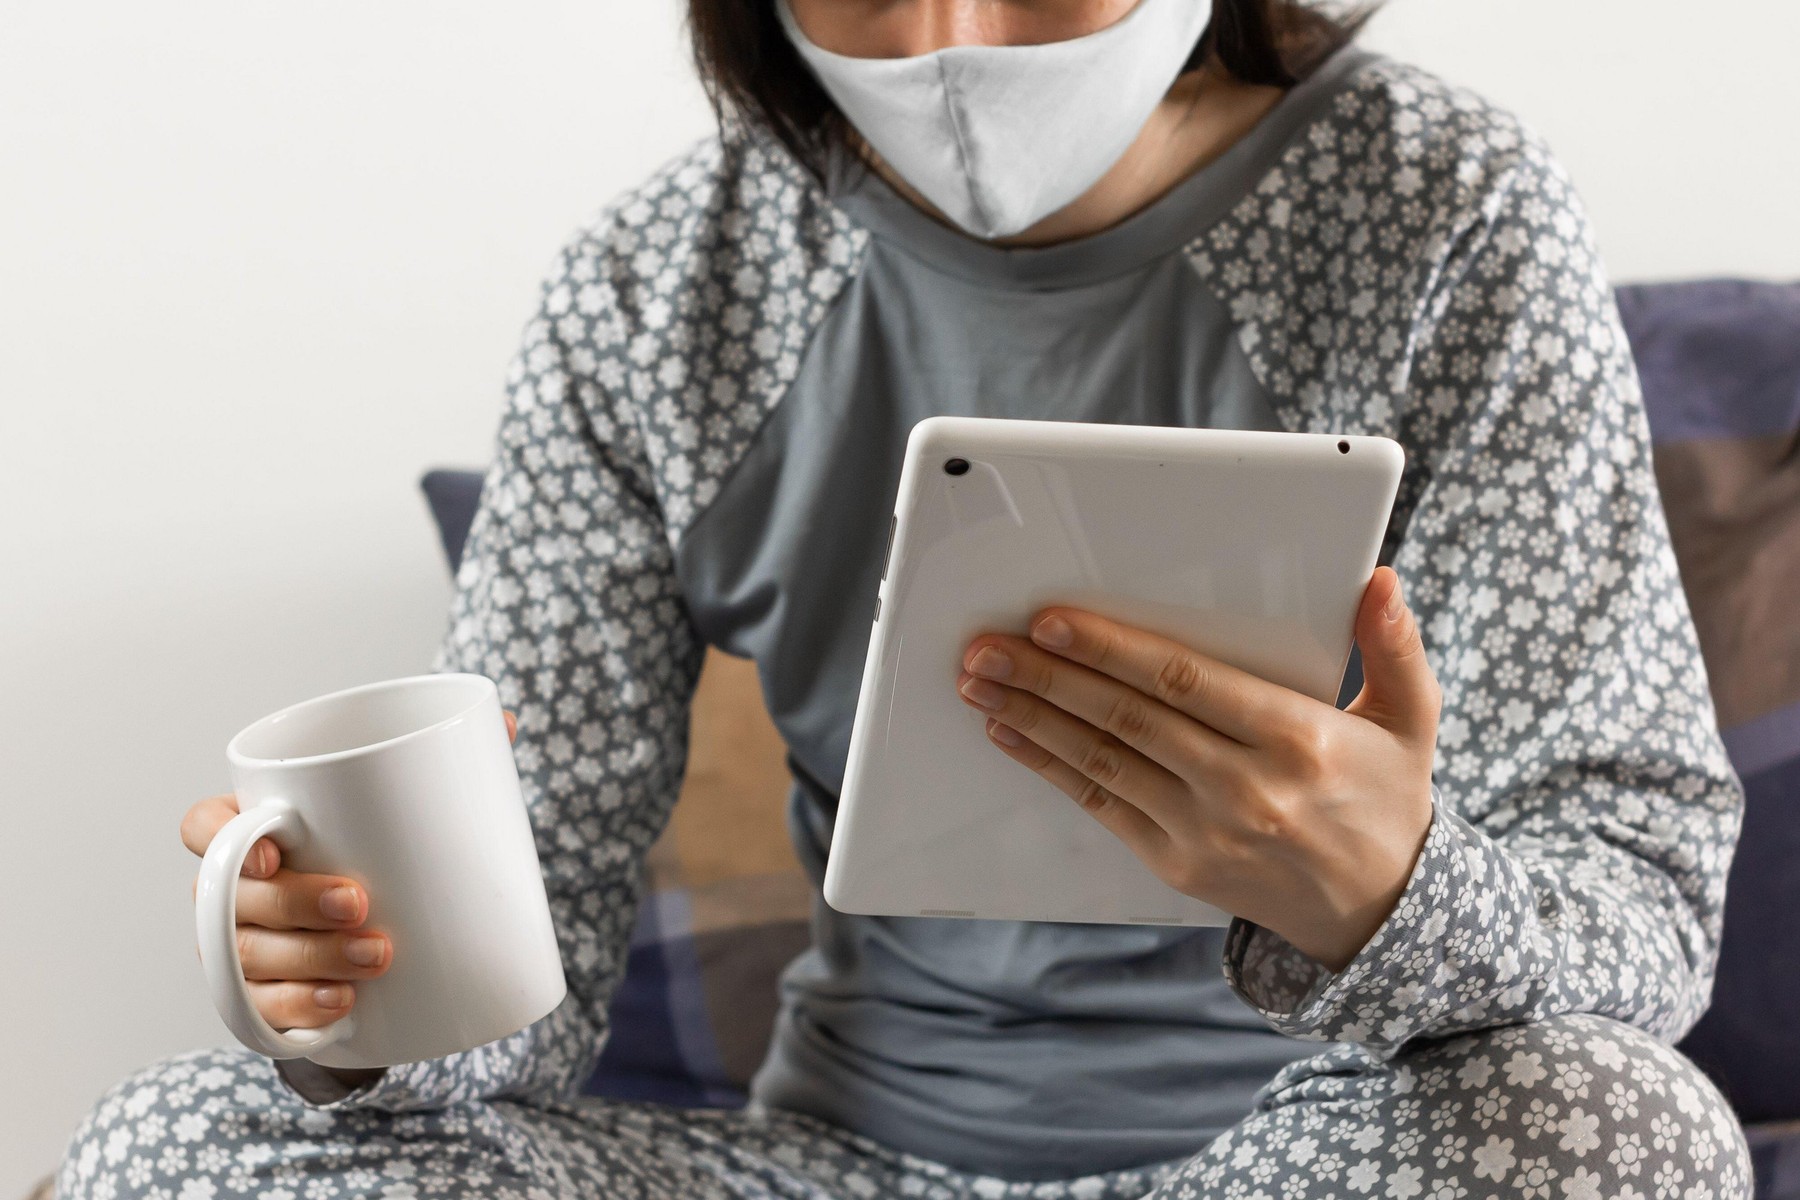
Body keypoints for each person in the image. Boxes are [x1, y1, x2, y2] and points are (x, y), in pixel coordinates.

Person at [58, 0, 1754, 1196]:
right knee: (179, 1146)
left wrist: (1395, 891)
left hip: (1318, 1153)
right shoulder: (660, 290)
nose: (955, 40)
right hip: (831, 1165)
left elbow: (1645, 903)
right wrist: (347, 1003)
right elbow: (518, 965)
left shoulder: (1448, 214)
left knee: (1626, 1130)